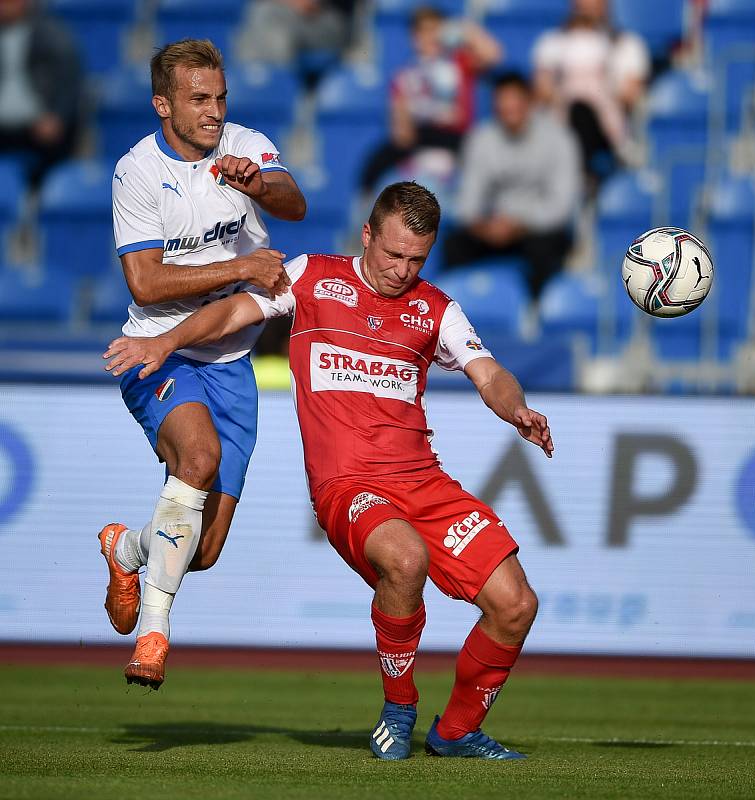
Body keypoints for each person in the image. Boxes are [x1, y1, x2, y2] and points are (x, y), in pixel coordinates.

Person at [104, 181, 552, 760]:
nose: (401, 270)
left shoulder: (436, 308)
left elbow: (488, 372)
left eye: (416, 259)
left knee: (516, 604)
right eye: (392, 254)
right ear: (366, 235)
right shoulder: (313, 276)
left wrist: (515, 408)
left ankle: (458, 730)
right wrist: (166, 341)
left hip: (423, 480)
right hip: (348, 486)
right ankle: (399, 708)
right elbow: (234, 311)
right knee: (405, 559)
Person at [101, 38, 306, 689]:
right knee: (198, 459)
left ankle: (126, 549)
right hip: (158, 351)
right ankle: (155, 637)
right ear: (163, 104)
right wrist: (243, 265)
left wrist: (261, 185)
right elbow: (146, 284)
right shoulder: (136, 172)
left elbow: (293, 202)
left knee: (204, 549)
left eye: (219, 97)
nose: (214, 112)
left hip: (232, 358)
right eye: (198, 100)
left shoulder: (243, 143)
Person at [443, 72, 581, 300]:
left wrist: (520, 223)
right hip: (493, 227)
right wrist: (484, 226)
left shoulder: (559, 139)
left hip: (538, 229)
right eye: (503, 107)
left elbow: (561, 206)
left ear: (529, 103)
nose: (510, 113)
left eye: (515, 105)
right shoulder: (481, 139)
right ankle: (449, 316)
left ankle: (538, 313)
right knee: (454, 245)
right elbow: (468, 200)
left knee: (545, 250)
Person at [359, 6, 502, 193]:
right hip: (420, 142)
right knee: (375, 167)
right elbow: (400, 133)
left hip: (456, 141)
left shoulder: (460, 63)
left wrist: (463, 31)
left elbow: (494, 55)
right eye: (423, 31)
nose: (429, 37)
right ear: (413, 36)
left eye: (435, 30)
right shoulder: (403, 77)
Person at [532, 0, 650, 183]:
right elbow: (542, 90)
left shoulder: (626, 44)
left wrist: (598, 91)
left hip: (606, 132)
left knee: (585, 111)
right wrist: (570, 90)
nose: (588, 5)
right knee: (576, 109)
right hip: (562, 123)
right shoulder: (552, 42)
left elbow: (630, 95)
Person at [0, 0, 84, 187]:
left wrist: (57, 116)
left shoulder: (51, 33)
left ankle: (43, 198)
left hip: (37, 125)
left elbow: (70, 80)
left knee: (53, 145)